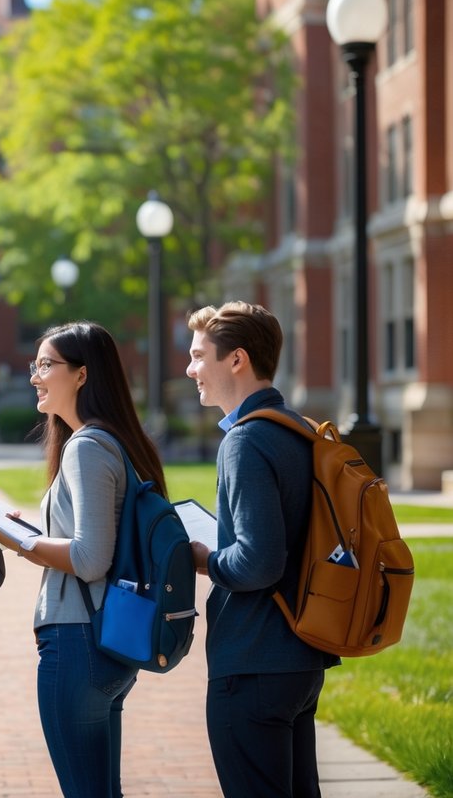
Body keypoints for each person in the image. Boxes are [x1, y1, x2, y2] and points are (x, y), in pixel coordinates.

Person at [0, 321, 166, 798]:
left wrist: (3, 535)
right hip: (108, 641)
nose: (34, 375)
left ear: (82, 375)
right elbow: (95, 541)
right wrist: (23, 531)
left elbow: (90, 559)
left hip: (78, 640)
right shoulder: (118, 441)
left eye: (46, 365)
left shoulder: (86, 448)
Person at [185, 302, 338, 798]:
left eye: (199, 355)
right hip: (299, 657)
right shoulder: (298, 430)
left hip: (252, 661)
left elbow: (259, 560)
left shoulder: (245, 441)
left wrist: (205, 558)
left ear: (237, 360)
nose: (190, 369)